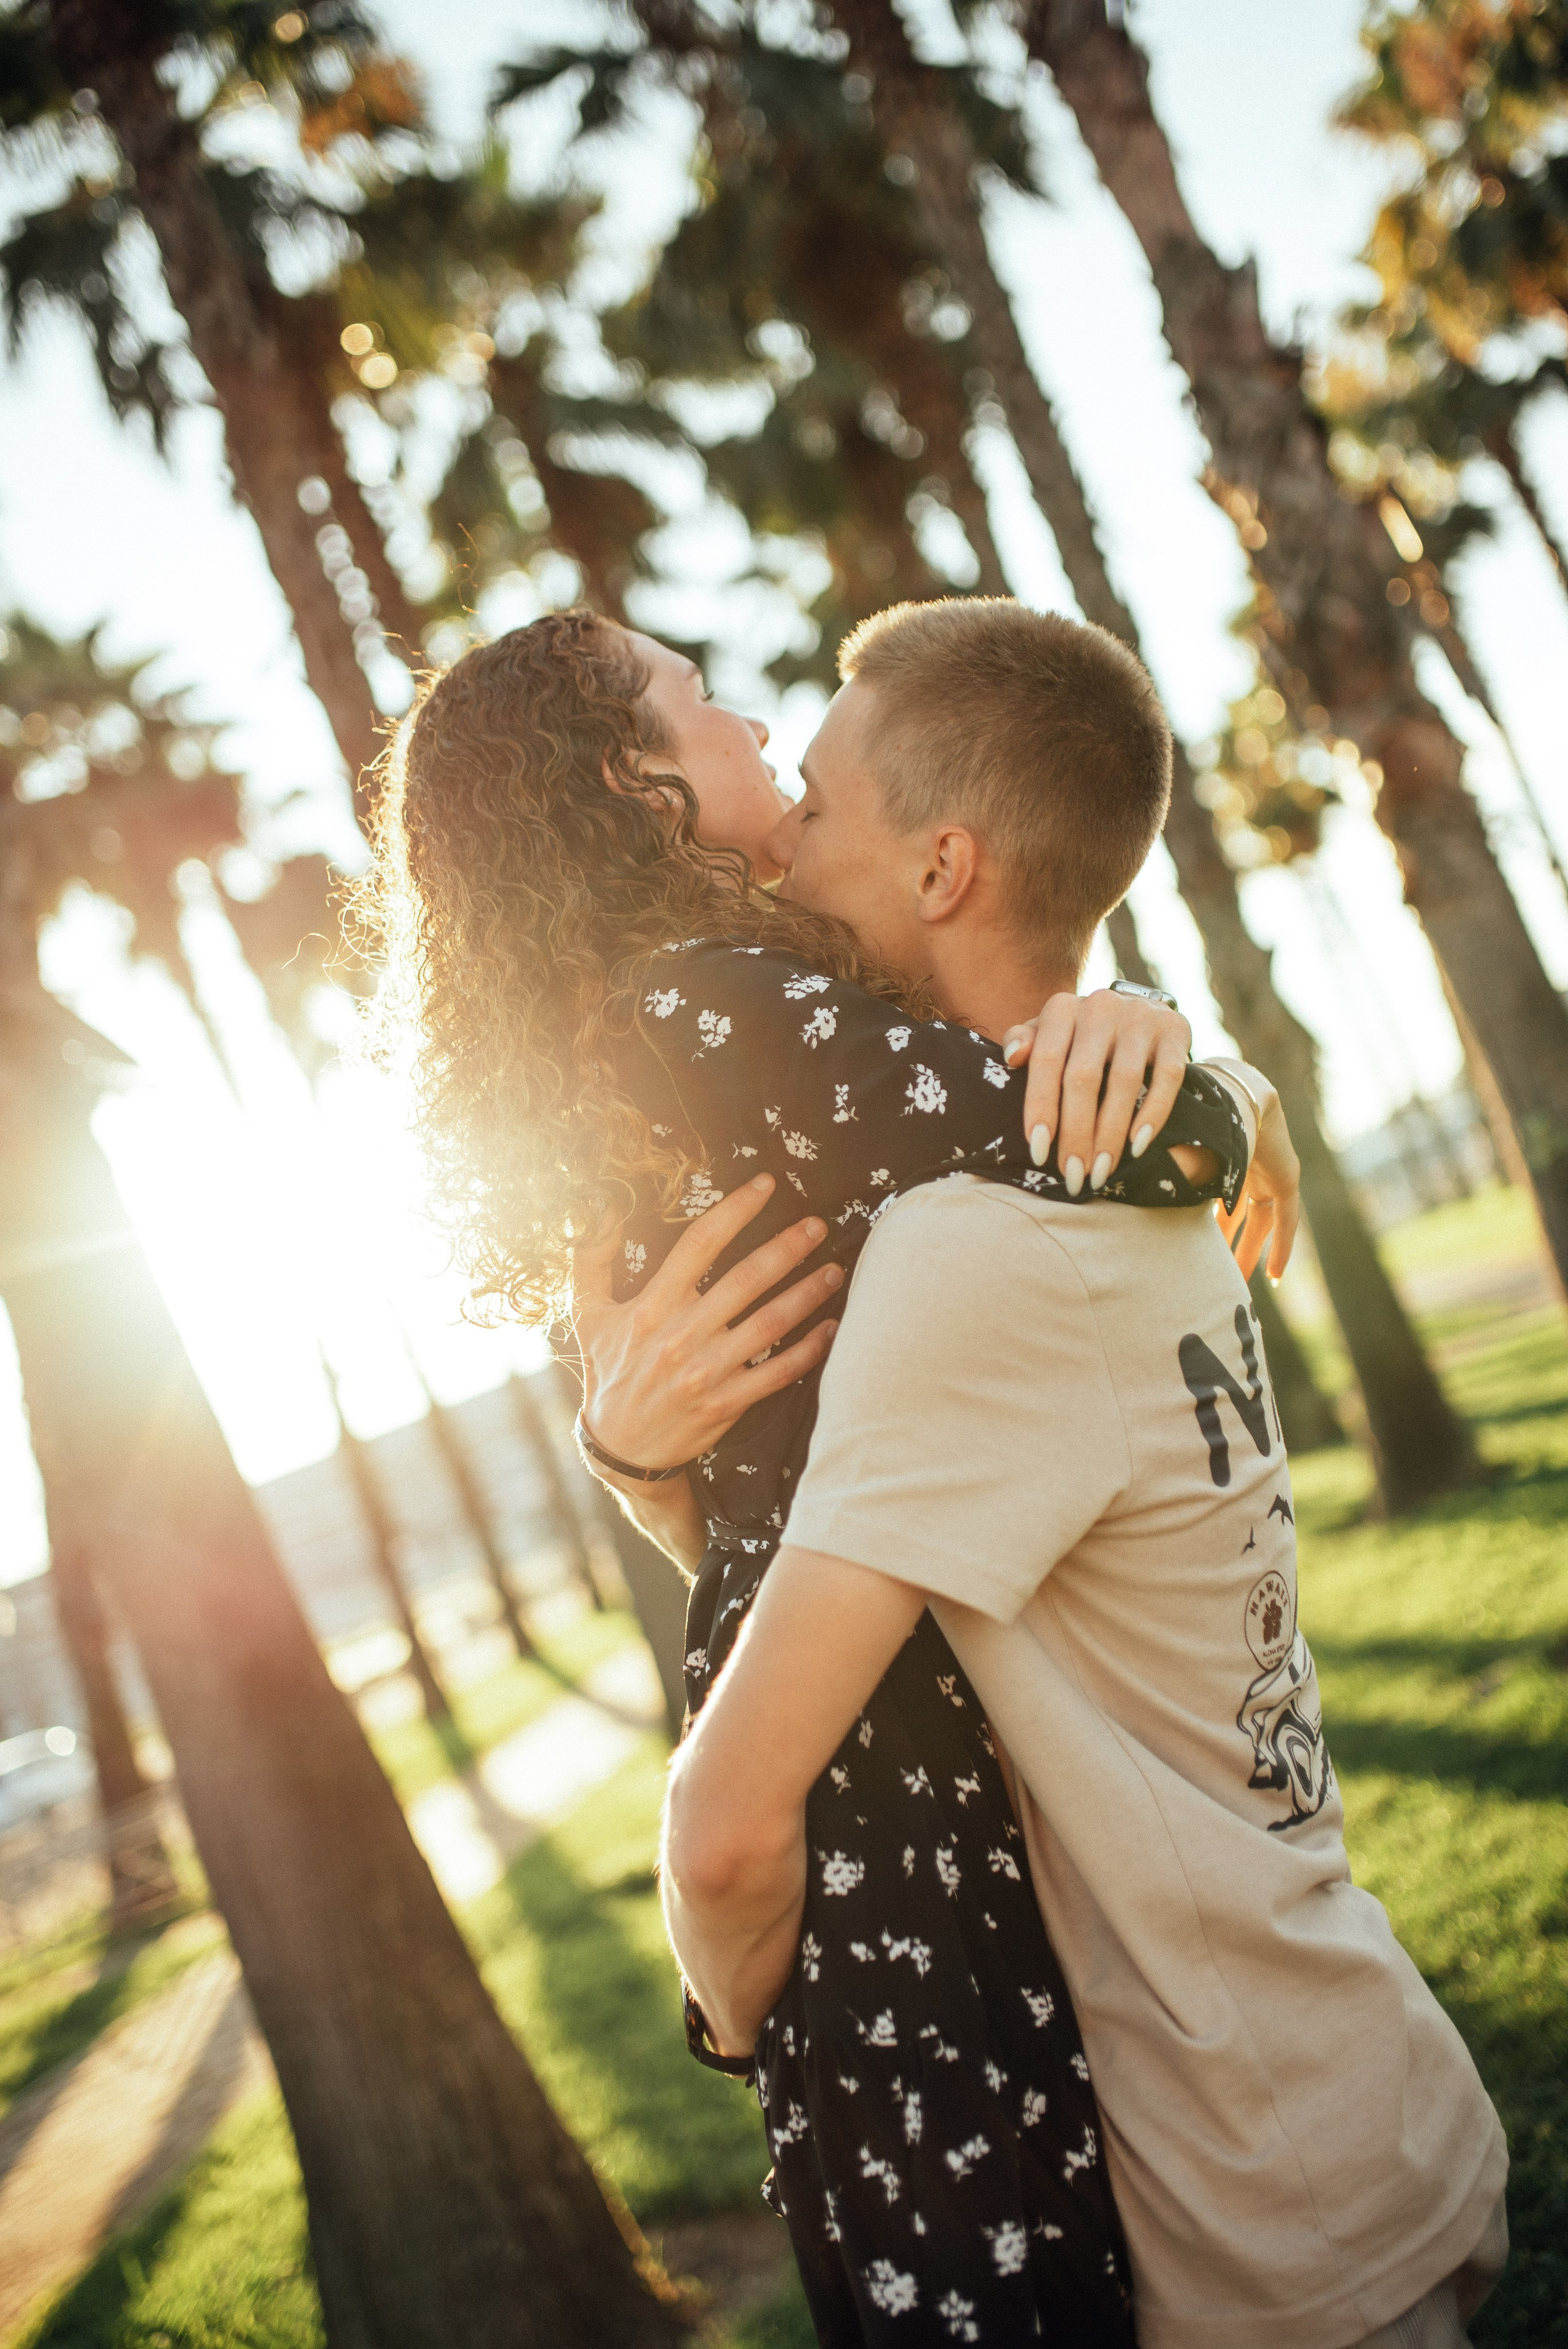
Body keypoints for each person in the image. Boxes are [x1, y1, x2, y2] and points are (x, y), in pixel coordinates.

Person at [361, 595, 1286, 2345]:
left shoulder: (688, 1024)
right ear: (632, 791)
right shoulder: (707, 1004)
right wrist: (1218, 1091)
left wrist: (1174, 1026)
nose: (764, 736)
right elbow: (1065, 1127)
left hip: (849, 1724)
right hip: (872, 1778)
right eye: (701, 703)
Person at [645, 605, 1510, 2346]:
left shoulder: (981, 1252)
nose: (785, 851)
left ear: (945, 863)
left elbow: (726, 1824)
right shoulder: (1121, 1172)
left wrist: (747, 2032)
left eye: (815, 803)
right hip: (1344, 2082)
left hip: (1265, 2204)